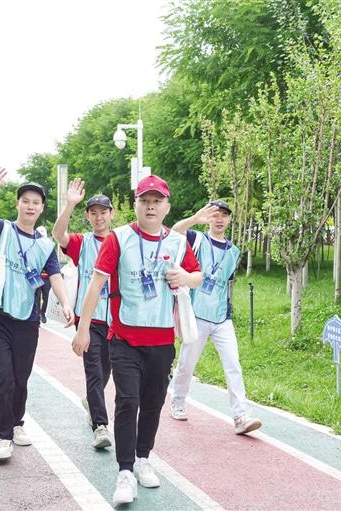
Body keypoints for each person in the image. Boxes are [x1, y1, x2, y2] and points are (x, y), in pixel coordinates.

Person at [72, 175, 202, 505]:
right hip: (124, 338)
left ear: (167, 207)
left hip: (161, 341)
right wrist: (83, 328)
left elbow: (198, 276)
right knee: (127, 402)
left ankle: (143, 459)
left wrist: (185, 277)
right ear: (136, 205)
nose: (151, 207)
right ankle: (125, 471)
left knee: (153, 403)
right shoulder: (119, 238)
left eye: (157, 201)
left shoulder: (177, 243)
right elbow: (96, 284)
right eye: (145, 201)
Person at [0, 167, 75, 462]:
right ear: (18, 204)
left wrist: (66, 303)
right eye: (25, 200)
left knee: (20, 377)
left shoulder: (45, 245)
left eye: (35, 202)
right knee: (3, 375)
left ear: (41, 208)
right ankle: (3, 436)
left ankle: (17, 423)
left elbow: (55, 275)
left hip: (27, 320)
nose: (30, 206)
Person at [169, 200, 262, 435]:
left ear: (229, 219)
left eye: (224, 215)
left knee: (233, 364)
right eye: (215, 214)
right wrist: (194, 219)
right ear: (208, 217)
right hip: (197, 314)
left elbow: (225, 284)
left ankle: (240, 416)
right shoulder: (197, 239)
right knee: (187, 362)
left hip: (222, 318)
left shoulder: (233, 251)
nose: (219, 219)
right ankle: (177, 402)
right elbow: (174, 232)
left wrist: (226, 312)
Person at [52, 177, 115, 450]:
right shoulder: (82, 242)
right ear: (88, 216)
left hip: (115, 320)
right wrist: (69, 205)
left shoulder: (121, 241)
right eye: (93, 213)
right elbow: (58, 234)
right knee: (94, 372)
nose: (99, 217)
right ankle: (100, 426)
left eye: (103, 212)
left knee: (106, 371)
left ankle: (92, 400)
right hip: (88, 321)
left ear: (111, 214)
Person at [36, 226, 52, 323]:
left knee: (47, 297)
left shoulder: (49, 248)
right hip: (36, 277)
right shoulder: (33, 247)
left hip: (46, 277)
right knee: (36, 297)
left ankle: (42, 313)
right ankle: (37, 315)